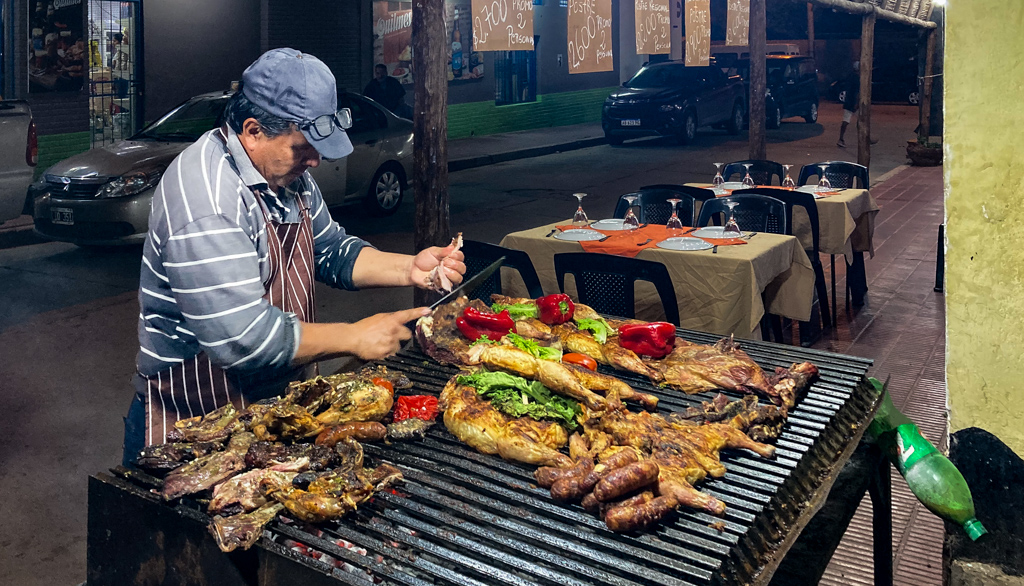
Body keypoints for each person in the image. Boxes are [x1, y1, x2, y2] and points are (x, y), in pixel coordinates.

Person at [122, 48, 465, 462]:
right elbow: (239, 339)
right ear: (252, 131)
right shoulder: (207, 197)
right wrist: (353, 336)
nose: (316, 161)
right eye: (304, 147)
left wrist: (411, 268)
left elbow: (331, 250)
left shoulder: (286, 177)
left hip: (274, 406)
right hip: (196, 418)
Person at [837, 61, 860, 148]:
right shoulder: (857, 78)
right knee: (861, 121)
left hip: (849, 101)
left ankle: (841, 138)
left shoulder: (850, 76)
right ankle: (863, 138)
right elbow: (857, 92)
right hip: (853, 102)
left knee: (846, 121)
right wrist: (856, 103)